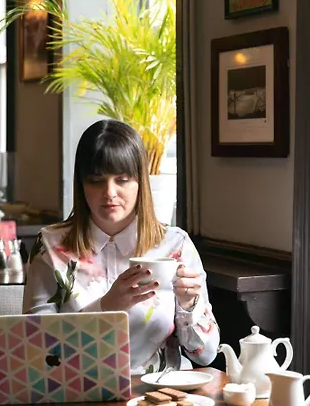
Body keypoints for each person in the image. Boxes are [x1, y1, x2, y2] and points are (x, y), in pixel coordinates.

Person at [23, 119, 220, 374]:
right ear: (81, 184)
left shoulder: (175, 245)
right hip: (79, 389)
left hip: (161, 391)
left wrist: (189, 305)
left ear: (140, 183)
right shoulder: (50, 246)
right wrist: (105, 308)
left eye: (122, 180)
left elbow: (206, 355)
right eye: (96, 180)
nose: (110, 192)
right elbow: (37, 350)